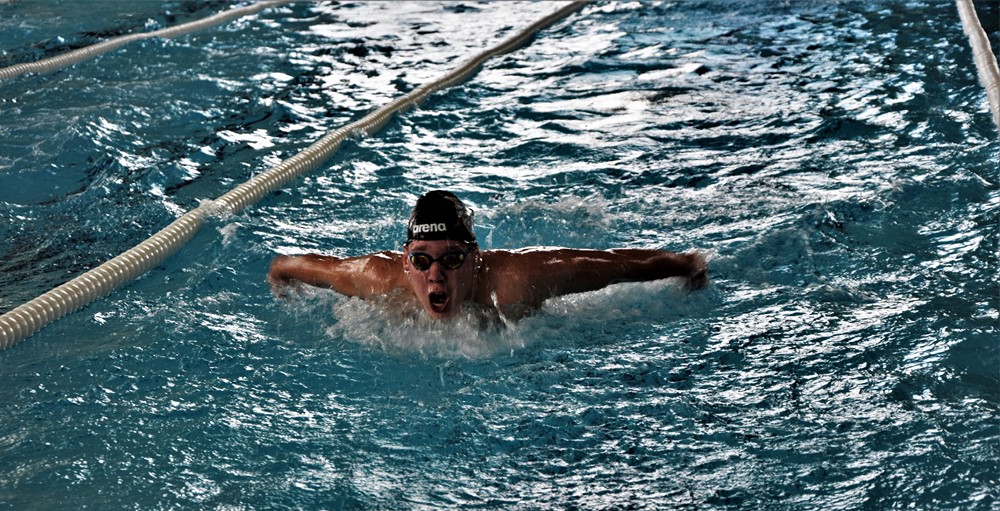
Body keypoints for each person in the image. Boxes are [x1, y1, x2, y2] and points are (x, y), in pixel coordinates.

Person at [268, 190, 708, 321]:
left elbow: (610, 265)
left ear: (475, 258)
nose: (435, 276)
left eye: (451, 259)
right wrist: (280, 280)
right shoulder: (378, 278)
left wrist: (684, 264)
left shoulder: (516, 279)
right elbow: (290, 266)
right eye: (421, 260)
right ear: (405, 260)